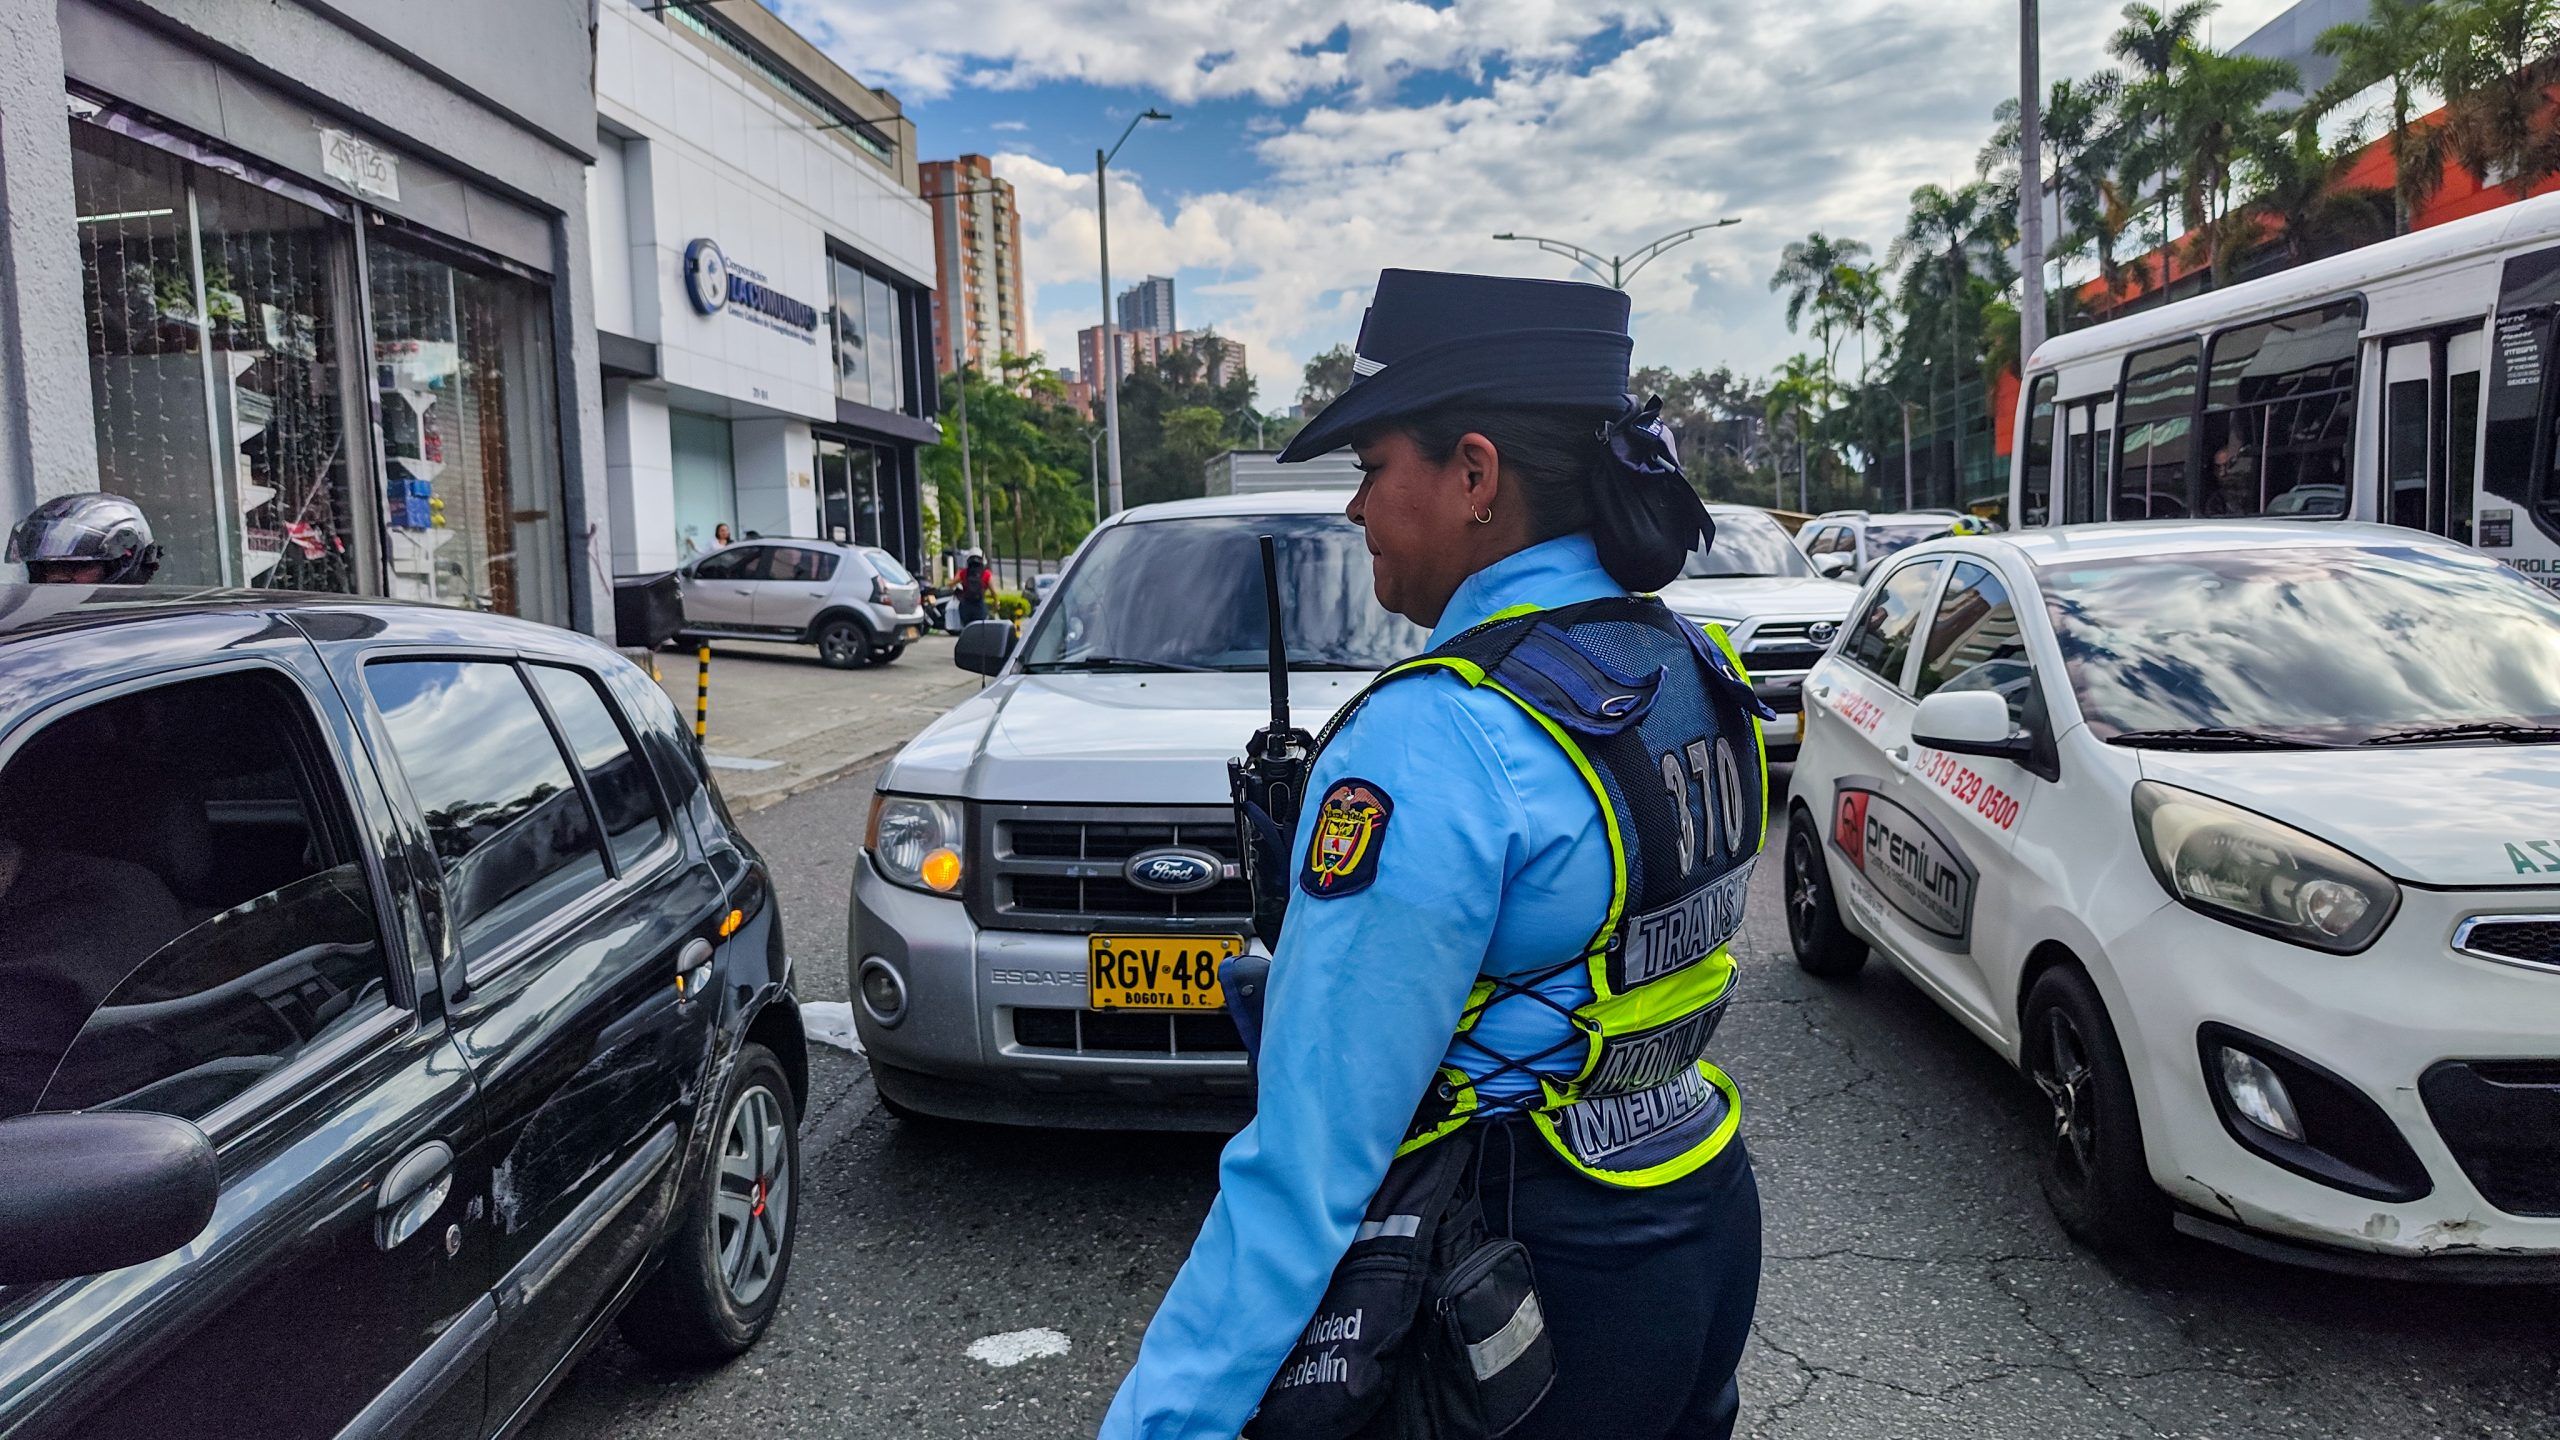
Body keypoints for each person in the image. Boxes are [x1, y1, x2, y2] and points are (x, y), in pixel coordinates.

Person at [1102, 269, 1769, 1440]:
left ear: (1474, 475)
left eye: (1370, 467)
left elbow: (1310, 1168)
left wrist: (1159, 1426)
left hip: (1521, 1283)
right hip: (1694, 1218)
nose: (1355, 509)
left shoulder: (1433, 732)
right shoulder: (1678, 662)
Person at [7, 492, 164, 584]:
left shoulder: (158, 631)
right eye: (46, 568)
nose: (56, 577)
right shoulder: (34, 629)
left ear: (122, 562)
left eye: (78, 566)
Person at [955, 551, 993, 625]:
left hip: (966, 606)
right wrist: (996, 602)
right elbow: (994, 592)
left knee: (967, 628)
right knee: (980, 629)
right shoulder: (986, 574)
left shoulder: (963, 572)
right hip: (979, 606)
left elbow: (950, 584)